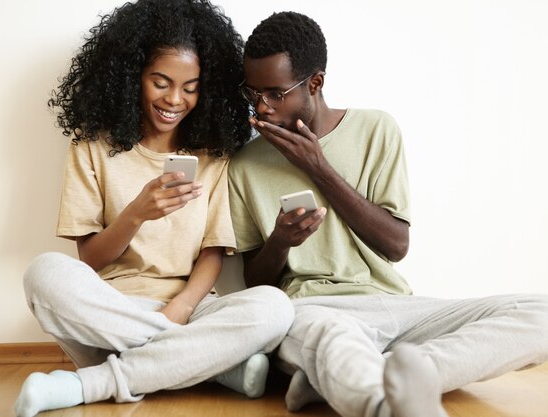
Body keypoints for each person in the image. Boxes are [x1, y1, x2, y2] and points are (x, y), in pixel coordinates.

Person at [228, 11, 548, 417]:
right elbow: (254, 280)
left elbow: (396, 246)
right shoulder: (245, 164)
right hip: (314, 309)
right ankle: (384, 403)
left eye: (275, 93)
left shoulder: (376, 130)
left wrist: (318, 167)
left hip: (395, 304)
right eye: (252, 93)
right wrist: (281, 241)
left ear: (315, 83)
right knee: (329, 340)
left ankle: (340, 377)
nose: (262, 108)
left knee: (540, 315)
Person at [14, 1, 295, 416]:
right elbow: (89, 258)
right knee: (42, 275)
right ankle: (212, 367)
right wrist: (136, 213)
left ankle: (93, 381)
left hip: (193, 306)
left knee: (275, 306)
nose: (175, 99)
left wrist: (179, 310)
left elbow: (212, 253)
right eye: (160, 82)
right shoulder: (91, 145)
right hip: (110, 309)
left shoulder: (213, 156)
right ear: (132, 78)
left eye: (191, 86)